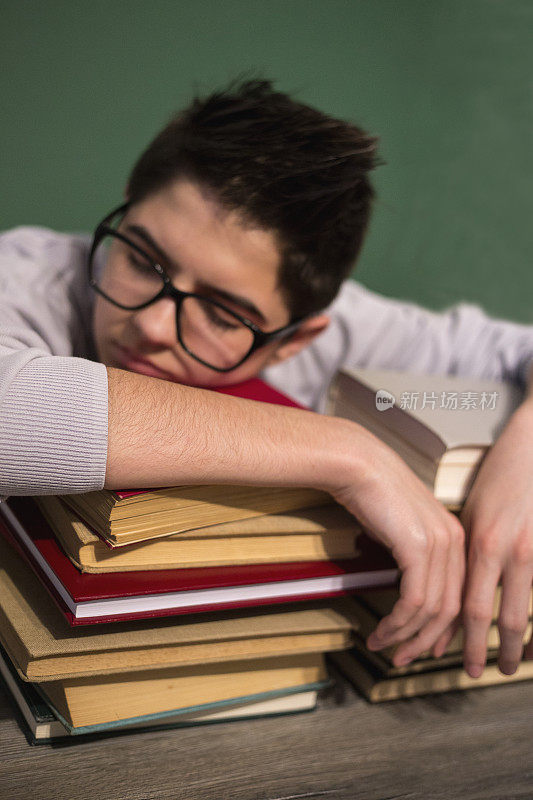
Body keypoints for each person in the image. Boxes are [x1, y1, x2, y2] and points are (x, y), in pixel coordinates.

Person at [1, 79, 532, 681]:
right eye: (143, 259)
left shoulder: (338, 330)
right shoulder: (29, 276)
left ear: (295, 340)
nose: (149, 324)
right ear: (127, 204)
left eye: (224, 315)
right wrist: (350, 452)